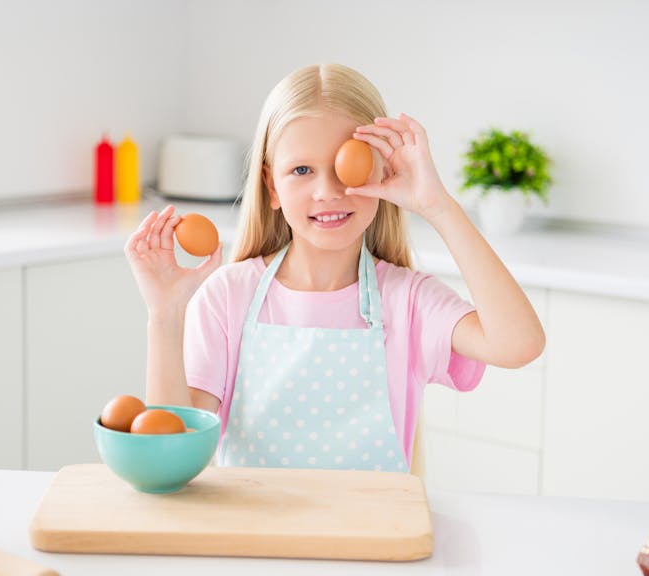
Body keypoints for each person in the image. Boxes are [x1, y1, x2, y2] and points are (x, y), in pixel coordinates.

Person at [124, 63, 545, 472]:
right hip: (256, 543)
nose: (328, 191)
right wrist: (165, 314)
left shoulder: (407, 300)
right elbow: (172, 457)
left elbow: (518, 344)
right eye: (302, 170)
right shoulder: (228, 296)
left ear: (381, 171)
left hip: (373, 540)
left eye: (347, 165)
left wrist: (438, 206)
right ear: (272, 187)